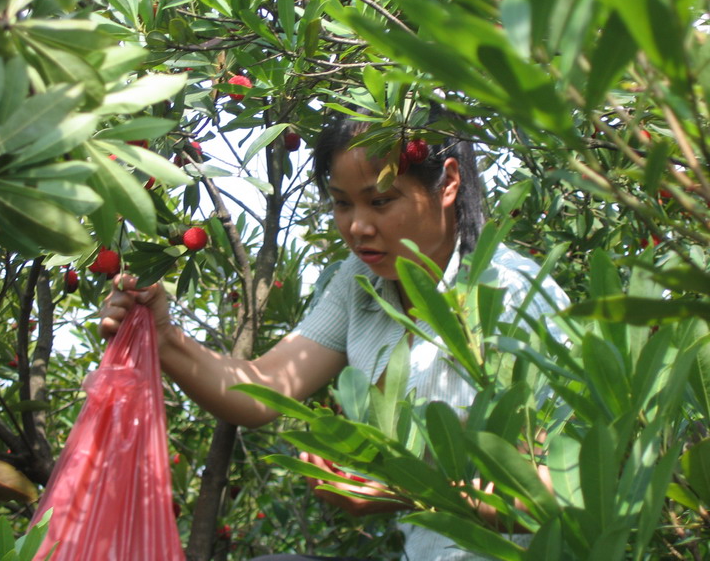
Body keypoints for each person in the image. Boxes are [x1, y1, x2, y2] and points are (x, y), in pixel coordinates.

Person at [99, 108, 570, 560]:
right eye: (342, 204)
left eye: (380, 201)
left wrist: (404, 490)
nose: (357, 227)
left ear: (448, 183)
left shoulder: (514, 296)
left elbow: (561, 496)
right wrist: (164, 338)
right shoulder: (360, 281)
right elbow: (263, 389)